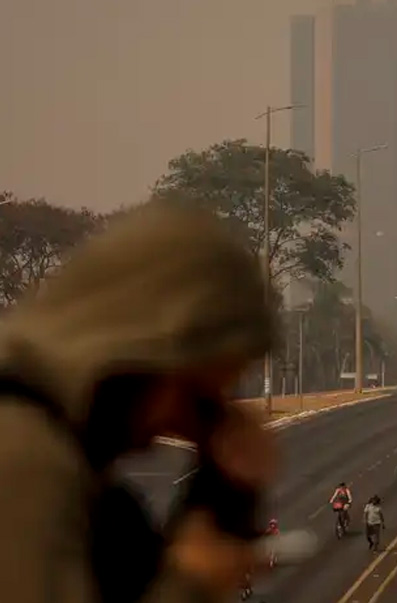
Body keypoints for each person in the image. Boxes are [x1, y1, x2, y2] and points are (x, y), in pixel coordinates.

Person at [0, 202, 279, 603]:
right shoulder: (25, 462)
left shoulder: (66, 461)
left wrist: (219, 500)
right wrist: (193, 580)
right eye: (197, 400)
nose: (181, 428)